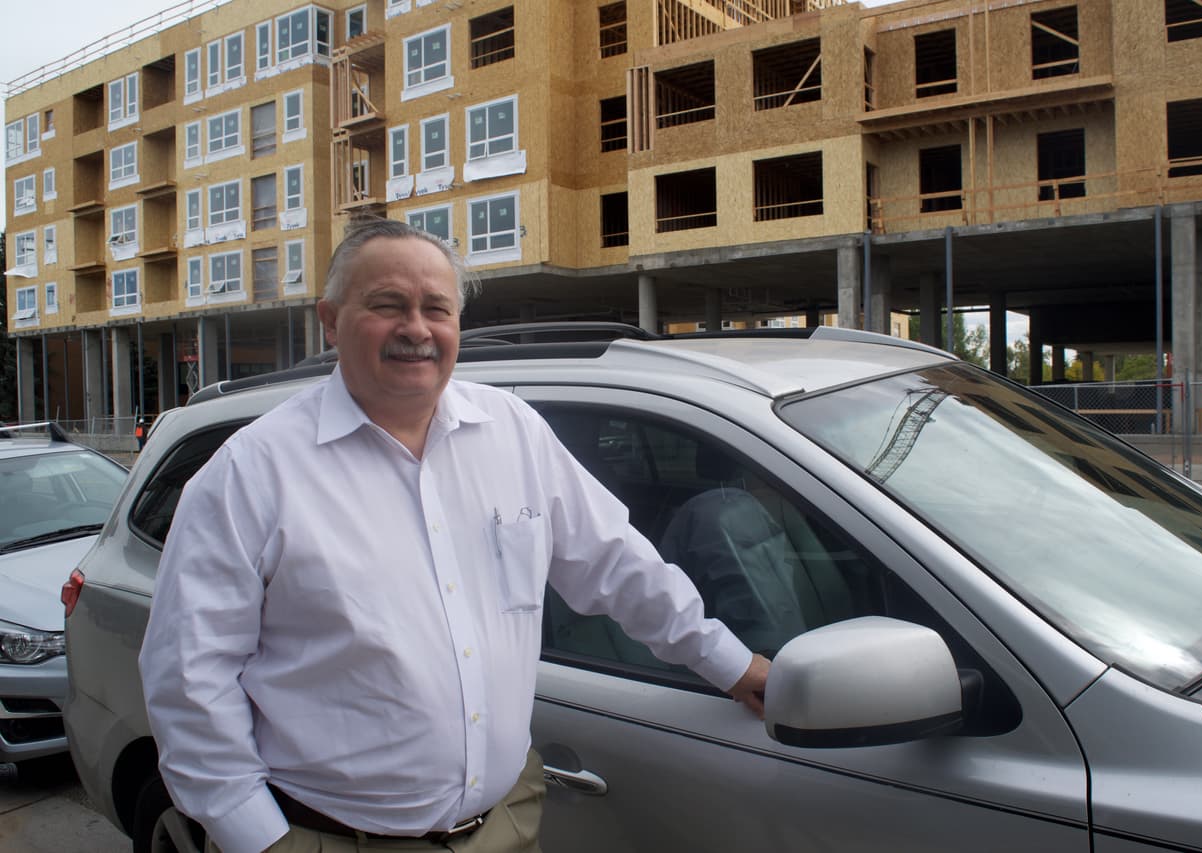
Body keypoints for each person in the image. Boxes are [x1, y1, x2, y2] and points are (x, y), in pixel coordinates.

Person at [139, 217, 769, 853]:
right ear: (330, 321)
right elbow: (189, 674)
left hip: (506, 822)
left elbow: (614, 561)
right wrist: (257, 838)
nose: (416, 329)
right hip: (332, 835)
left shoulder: (512, 431)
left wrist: (730, 663)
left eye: (436, 308)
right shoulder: (252, 470)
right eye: (387, 305)